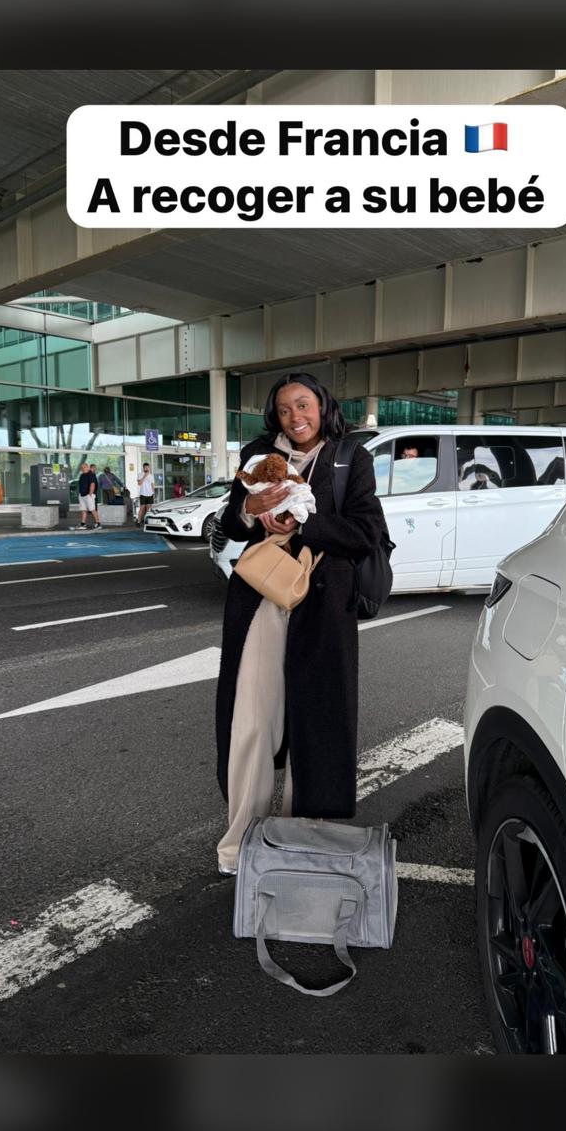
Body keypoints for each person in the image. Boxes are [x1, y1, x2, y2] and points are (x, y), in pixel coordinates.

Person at [215, 370, 385, 875]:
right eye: (285, 409)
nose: (296, 417)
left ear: (322, 406)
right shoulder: (258, 454)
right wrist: (251, 509)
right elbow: (230, 523)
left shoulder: (351, 456)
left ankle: (303, 837)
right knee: (250, 719)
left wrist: (304, 519)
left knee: (317, 719)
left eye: (304, 405)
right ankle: (240, 843)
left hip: (323, 601)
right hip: (260, 595)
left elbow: (366, 532)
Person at [76, 462, 101, 529]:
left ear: (87, 467)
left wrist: (90, 494)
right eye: (81, 467)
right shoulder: (82, 475)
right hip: (82, 495)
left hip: (89, 495)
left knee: (92, 509)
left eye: (84, 467)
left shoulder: (91, 474)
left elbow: (92, 484)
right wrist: (80, 494)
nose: (82, 468)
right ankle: (83, 524)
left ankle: (98, 523)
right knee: (83, 509)